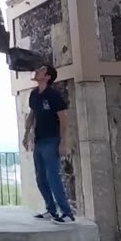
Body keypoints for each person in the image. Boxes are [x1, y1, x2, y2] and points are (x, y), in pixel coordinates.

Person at [23, 64, 74, 223]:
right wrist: (26, 134)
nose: (38, 71)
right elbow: (32, 115)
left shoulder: (53, 95)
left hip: (52, 140)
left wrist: (63, 142)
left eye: (42, 70)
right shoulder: (34, 95)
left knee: (53, 177)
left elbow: (63, 118)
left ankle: (66, 213)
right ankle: (51, 210)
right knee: (41, 178)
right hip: (39, 140)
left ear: (48, 77)